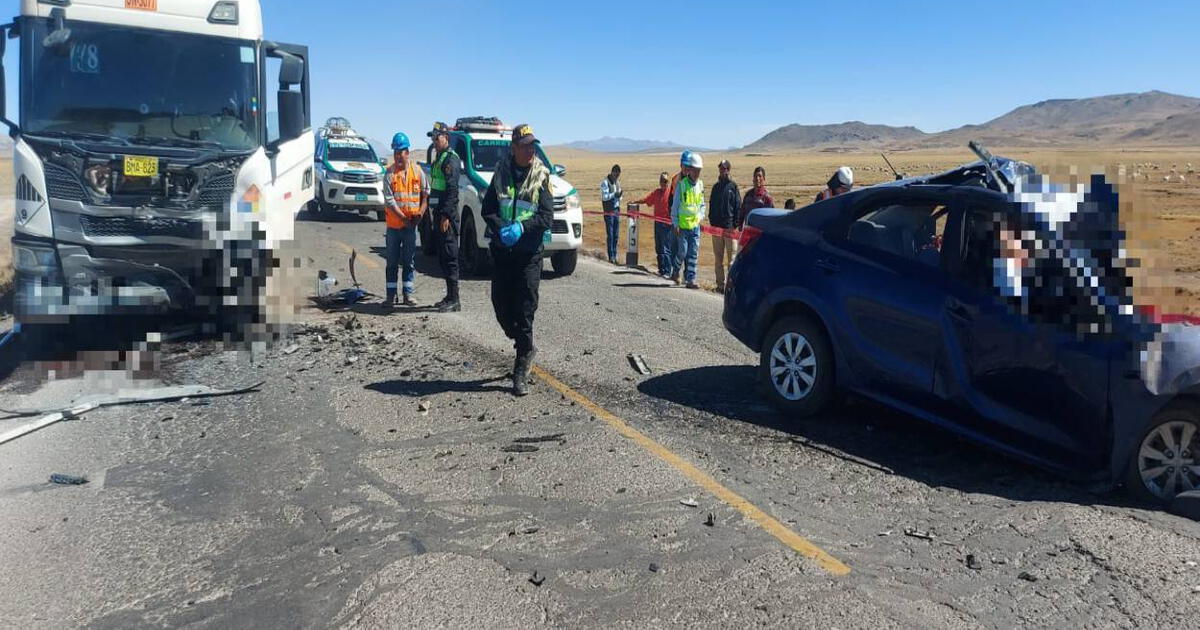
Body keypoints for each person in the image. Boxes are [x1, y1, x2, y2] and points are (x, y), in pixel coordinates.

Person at [480, 124, 555, 396]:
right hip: (503, 252)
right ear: (513, 148)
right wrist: (501, 226)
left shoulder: (541, 176)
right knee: (501, 306)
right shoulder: (500, 173)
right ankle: (522, 342)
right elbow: (487, 208)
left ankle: (522, 364)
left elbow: (547, 216)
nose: (530, 150)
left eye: (532, 145)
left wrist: (523, 228)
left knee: (524, 310)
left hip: (528, 255)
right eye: (525, 145)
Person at [381, 132, 428, 308]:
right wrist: (403, 218)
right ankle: (390, 296)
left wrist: (420, 214)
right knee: (392, 262)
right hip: (394, 227)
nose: (398, 156)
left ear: (407, 152)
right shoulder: (389, 174)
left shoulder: (417, 171)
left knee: (409, 262)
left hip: (410, 227)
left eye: (401, 152)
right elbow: (390, 200)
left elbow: (425, 193)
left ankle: (408, 295)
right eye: (395, 152)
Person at [427, 121, 463, 312]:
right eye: (433, 138)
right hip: (438, 213)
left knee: (450, 256)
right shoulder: (439, 158)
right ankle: (449, 296)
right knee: (442, 256)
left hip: (445, 216)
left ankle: (455, 299)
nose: (434, 141)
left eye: (437, 137)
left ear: (446, 138)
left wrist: (446, 215)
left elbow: (452, 190)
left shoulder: (451, 159)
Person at [671, 150, 705, 289]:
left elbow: (702, 204)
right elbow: (675, 206)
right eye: (695, 170)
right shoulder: (681, 185)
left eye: (699, 170)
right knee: (682, 252)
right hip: (683, 227)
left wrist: (700, 217)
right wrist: (676, 223)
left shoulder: (700, 185)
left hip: (695, 226)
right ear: (689, 170)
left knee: (693, 253)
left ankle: (690, 279)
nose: (697, 173)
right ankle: (676, 270)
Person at [709, 160, 740, 293]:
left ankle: (730, 286)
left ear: (729, 170)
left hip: (729, 228)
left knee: (732, 259)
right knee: (718, 259)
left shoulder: (733, 187)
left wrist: (735, 224)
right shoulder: (715, 187)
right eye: (721, 168)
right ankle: (720, 285)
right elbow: (711, 205)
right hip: (716, 228)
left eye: (725, 168)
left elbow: (738, 205)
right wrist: (712, 220)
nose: (723, 171)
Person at [637, 172, 674, 277]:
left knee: (666, 248)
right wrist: (635, 202)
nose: (663, 183)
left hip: (667, 224)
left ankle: (668, 271)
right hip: (657, 223)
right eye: (662, 181)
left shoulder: (671, 193)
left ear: (668, 182)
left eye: (666, 181)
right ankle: (661, 269)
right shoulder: (656, 193)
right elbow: (647, 200)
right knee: (658, 247)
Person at [599, 164, 623, 264]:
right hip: (609, 211)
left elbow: (620, 197)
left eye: (618, 175)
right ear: (612, 172)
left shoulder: (618, 183)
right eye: (616, 174)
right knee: (611, 234)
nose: (617, 176)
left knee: (616, 235)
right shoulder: (605, 183)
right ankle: (611, 256)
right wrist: (614, 194)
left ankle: (615, 255)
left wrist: (619, 196)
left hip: (617, 210)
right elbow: (604, 197)